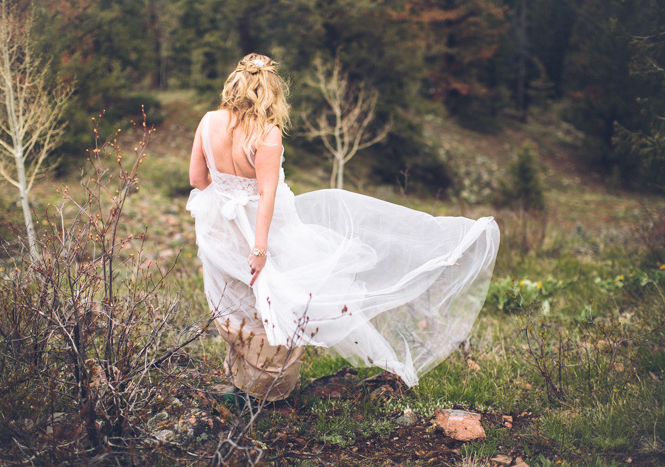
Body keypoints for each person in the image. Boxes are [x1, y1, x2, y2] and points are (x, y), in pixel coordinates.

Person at [186, 53, 500, 403]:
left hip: (218, 226)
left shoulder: (208, 121)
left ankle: (244, 383)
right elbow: (266, 193)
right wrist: (259, 249)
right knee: (281, 299)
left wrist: (229, 187)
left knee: (235, 301)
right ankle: (268, 391)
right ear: (272, 93)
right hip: (266, 231)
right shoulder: (267, 134)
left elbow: (198, 180)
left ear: (234, 84)